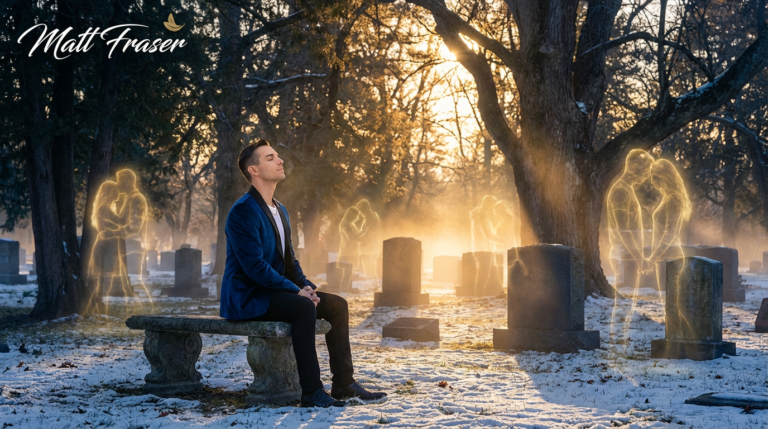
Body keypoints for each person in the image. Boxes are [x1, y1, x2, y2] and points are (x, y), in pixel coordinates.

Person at [220, 140, 386, 408]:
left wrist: (307, 286)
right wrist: (296, 292)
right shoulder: (243, 211)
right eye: (270, 158)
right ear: (254, 170)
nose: (280, 160)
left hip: (275, 291)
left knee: (337, 305)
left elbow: (290, 261)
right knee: (302, 308)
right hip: (248, 296)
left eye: (277, 156)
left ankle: (344, 383)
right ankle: (311, 391)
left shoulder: (280, 209)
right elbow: (255, 268)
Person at [606, 149, 654, 288]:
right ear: (634, 167)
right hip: (623, 256)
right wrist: (639, 258)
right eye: (645, 170)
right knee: (623, 305)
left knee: (629, 303)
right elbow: (623, 230)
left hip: (628, 255)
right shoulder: (620, 191)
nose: (647, 175)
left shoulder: (628, 189)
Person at [643, 159, 692, 288]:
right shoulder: (667, 198)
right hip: (663, 259)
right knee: (667, 303)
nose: (652, 181)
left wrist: (652, 259)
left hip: (671, 259)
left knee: (672, 304)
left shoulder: (674, 198)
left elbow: (670, 233)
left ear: (665, 176)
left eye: (655, 177)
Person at [88, 181, 129, 298]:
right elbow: (121, 221)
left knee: (106, 281)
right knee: (103, 280)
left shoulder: (108, 207)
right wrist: (128, 202)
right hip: (105, 246)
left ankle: (99, 308)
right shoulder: (104, 208)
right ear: (111, 192)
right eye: (117, 190)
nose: (120, 193)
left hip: (109, 245)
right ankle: (97, 308)